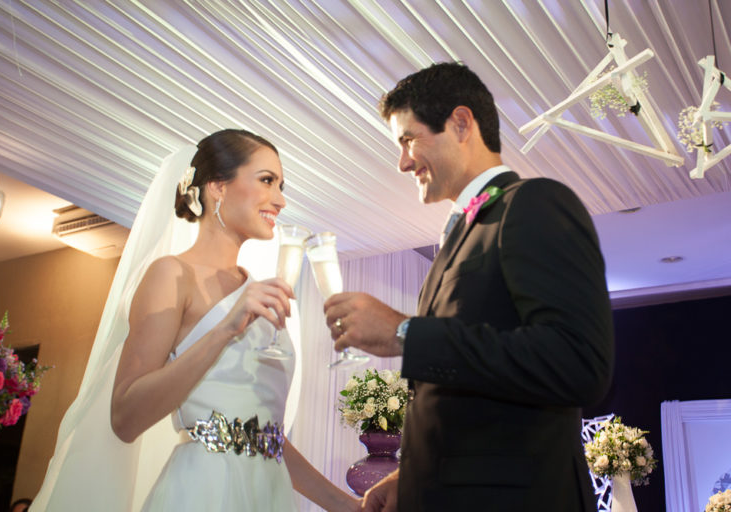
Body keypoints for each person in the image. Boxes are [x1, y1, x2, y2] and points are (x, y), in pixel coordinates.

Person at [324, 62, 614, 511]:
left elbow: (577, 363)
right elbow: (476, 399)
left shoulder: (534, 204)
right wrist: (411, 474)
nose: (402, 162)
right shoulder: (457, 236)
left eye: (408, 139)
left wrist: (406, 333)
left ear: (461, 123)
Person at [32, 130, 358, 511]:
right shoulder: (171, 275)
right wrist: (225, 329)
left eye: (281, 186)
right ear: (218, 187)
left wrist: (345, 504)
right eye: (267, 181)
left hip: (267, 494)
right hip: (204, 492)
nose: (281, 200)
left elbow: (260, 434)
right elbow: (125, 418)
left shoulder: (259, 290)